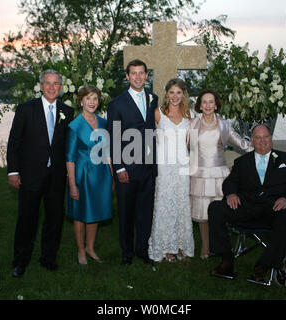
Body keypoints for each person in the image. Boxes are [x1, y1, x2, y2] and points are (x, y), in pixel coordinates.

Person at [208, 124, 286, 284]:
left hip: (274, 209)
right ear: (252, 141)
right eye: (258, 137)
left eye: (266, 137)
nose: (263, 141)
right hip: (247, 208)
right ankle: (226, 261)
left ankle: (263, 266)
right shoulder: (242, 162)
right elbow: (230, 182)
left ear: (271, 139)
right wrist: (231, 193)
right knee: (215, 208)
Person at [7, 69, 74, 278]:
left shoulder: (67, 112)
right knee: (27, 220)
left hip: (56, 176)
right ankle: (20, 262)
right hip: (30, 174)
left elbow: (66, 145)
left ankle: (48, 259)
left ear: (61, 87)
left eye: (56, 83)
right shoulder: (26, 109)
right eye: (48, 83)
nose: (52, 87)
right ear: (41, 86)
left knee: (54, 220)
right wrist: (13, 171)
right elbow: (14, 142)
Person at [188, 89, 253, 259]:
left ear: (216, 105)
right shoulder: (192, 124)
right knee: (203, 214)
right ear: (200, 106)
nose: (208, 105)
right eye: (204, 102)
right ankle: (205, 247)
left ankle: (222, 246)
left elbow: (241, 143)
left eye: (211, 102)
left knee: (221, 212)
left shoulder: (225, 125)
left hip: (220, 175)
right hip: (199, 174)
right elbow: (180, 144)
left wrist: (261, 150)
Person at [107, 59, 158, 265]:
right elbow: (113, 136)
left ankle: (142, 250)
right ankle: (127, 253)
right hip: (126, 167)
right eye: (133, 73)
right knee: (126, 213)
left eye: (141, 73)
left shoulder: (153, 98)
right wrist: (119, 167)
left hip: (148, 166)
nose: (138, 77)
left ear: (146, 76)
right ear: (127, 77)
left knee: (145, 212)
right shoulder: (116, 103)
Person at [148, 78, 194, 262]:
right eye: (172, 92)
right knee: (165, 205)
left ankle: (179, 245)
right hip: (164, 167)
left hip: (182, 166)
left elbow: (188, 144)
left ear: (183, 95)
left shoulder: (188, 115)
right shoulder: (157, 113)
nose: (175, 96)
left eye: (179, 92)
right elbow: (148, 139)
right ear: (167, 93)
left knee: (181, 204)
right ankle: (165, 247)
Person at [66, 85, 113, 265]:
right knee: (80, 214)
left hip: (101, 175)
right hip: (82, 175)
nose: (92, 102)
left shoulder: (103, 122)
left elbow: (107, 151)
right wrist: (72, 184)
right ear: (80, 101)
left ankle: (90, 248)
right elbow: (69, 158)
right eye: (88, 98)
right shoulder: (74, 126)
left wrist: (111, 175)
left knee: (96, 212)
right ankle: (80, 251)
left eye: (95, 98)